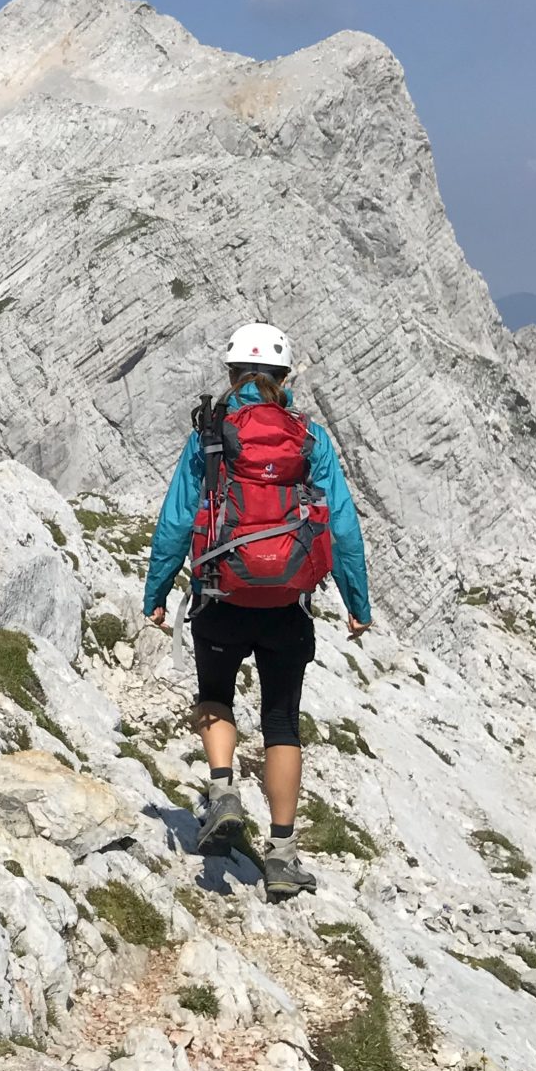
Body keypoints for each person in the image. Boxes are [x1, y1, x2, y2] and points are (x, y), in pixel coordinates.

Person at [143, 321, 372, 902]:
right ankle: (282, 855)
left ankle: (222, 794)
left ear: (231, 375)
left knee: (215, 694)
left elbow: (175, 520)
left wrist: (156, 594)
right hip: (287, 605)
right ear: (284, 379)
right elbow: (342, 527)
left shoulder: (211, 437)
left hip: (221, 594)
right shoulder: (309, 439)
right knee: (281, 722)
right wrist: (356, 604)